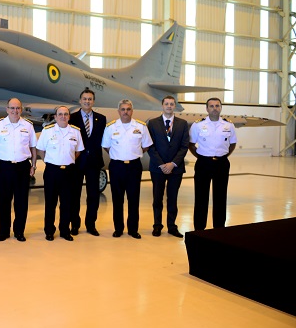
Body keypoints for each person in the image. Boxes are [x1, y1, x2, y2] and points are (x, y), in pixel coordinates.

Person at [102, 99, 153, 239]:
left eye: (128, 109)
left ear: (132, 111)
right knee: (117, 199)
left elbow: (146, 145)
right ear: (118, 111)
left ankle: (133, 229)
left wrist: (135, 153)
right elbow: (106, 146)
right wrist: (117, 155)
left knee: (133, 199)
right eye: (123, 109)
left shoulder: (141, 127)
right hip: (116, 166)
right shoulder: (111, 127)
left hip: (134, 166)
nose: (126, 112)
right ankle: (118, 229)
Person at [0, 98, 37, 242]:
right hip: (4, 166)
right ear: (7, 109)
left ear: (21, 110)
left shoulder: (28, 126)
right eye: (12, 108)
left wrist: (33, 165)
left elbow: (33, 147)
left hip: (22, 166)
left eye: (17, 108)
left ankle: (19, 232)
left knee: (21, 201)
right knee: (4, 201)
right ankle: (3, 232)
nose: (15, 111)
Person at [36, 106, 84, 241]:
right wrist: (49, 161)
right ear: (55, 117)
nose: (63, 116)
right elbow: (40, 149)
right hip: (52, 171)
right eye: (60, 114)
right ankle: (49, 231)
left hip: (69, 172)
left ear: (69, 116)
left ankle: (65, 230)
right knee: (50, 203)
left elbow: (78, 151)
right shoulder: (47, 131)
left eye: (66, 114)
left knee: (66, 203)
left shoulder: (75, 132)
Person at [189, 97, 237, 231]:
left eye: (217, 106)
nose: (214, 108)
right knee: (200, 197)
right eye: (211, 106)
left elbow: (232, 143)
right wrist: (200, 157)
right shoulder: (198, 125)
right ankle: (199, 228)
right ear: (207, 109)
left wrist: (224, 155)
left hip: (221, 163)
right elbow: (191, 144)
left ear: (221, 108)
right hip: (203, 163)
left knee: (220, 196)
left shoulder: (228, 125)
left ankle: (219, 228)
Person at [147, 96, 189, 238]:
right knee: (157, 198)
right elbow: (150, 146)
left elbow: (184, 147)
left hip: (176, 168)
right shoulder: (152, 123)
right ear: (162, 105)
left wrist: (172, 164)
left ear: (174, 106)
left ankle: (172, 226)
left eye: (172, 104)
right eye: (167, 104)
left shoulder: (183, 124)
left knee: (173, 198)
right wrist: (162, 164)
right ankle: (157, 225)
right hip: (157, 168)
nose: (169, 106)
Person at [68, 88, 106, 236]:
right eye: (85, 99)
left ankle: (91, 225)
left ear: (93, 101)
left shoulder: (101, 119)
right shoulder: (72, 118)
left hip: (94, 163)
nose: (87, 101)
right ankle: (75, 225)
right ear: (80, 101)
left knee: (93, 196)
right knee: (74, 195)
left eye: (90, 99)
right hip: (77, 162)